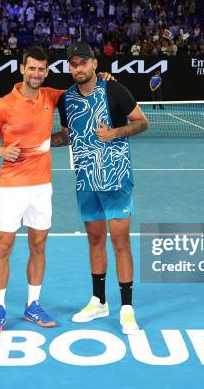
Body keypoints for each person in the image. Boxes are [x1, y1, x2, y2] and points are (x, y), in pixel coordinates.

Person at [0, 46, 114, 335]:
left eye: (42, 69)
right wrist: (1, 150)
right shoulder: (2, 105)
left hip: (41, 187)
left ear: (46, 72)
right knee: (4, 247)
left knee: (38, 246)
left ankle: (33, 304)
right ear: (22, 69)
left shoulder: (52, 97)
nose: (36, 73)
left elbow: (84, 87)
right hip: (12, 187)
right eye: (32, 68)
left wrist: (103, 79)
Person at [51, 42, 149, 335]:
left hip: (116, 177)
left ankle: (127, 309)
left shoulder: (115, 90)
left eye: (83, 63)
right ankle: (99, 301)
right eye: (73, 64)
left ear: (95, 64)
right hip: (86, 180)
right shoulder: (66, 99)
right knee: (95, 241)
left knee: (120, 242)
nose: (78, 68)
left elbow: (143, 123)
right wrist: (35, 140)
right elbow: (67, 136)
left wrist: (115, 133)